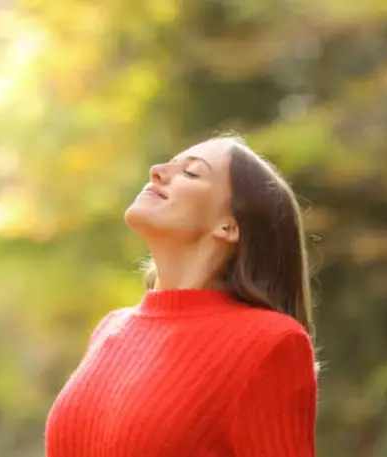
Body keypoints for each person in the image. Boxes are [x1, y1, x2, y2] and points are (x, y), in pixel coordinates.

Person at [45, 135, 319, 457]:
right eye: (169, 163)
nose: (157, 171)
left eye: (190, 173)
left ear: (228, 227)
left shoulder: (271, 343)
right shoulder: (111, 328)